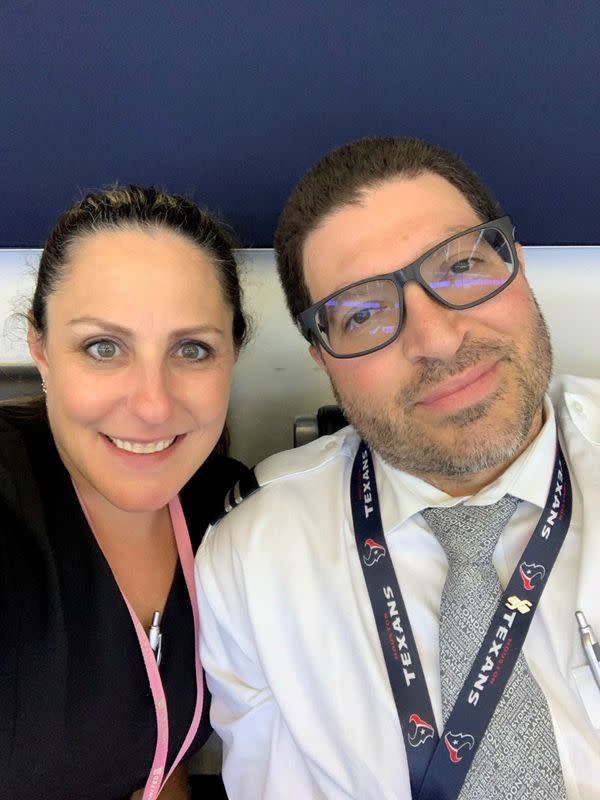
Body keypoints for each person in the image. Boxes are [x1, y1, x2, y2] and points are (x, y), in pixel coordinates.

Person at [196, 137, 600, 799]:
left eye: (461, 267)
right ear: (323, 358)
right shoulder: (252, 564)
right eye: (363, 312)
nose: (437, 339)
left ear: (518, 267)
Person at [0, 185, 250, 800]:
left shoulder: (228, 508)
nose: (152, 405)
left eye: (192, 350)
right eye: (103, 348)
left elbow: (159, 758)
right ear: (40, 347)